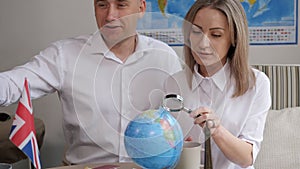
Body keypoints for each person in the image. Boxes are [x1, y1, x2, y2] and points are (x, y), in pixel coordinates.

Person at [0, 0, 182, 165]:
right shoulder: (65, 55)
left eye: (121, 5)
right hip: (85, 167)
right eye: (102, 5)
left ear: (141, 8)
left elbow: (184, 115)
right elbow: (13, 83)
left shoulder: (164, 57)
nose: (110, 16)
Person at [164, 0, 271, 168]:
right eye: (196, 32)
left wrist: (217, 130)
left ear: (234, 37)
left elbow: (247, 158)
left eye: (216, 35)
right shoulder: (174, 83)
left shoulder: (256, 84)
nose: (203, 44)